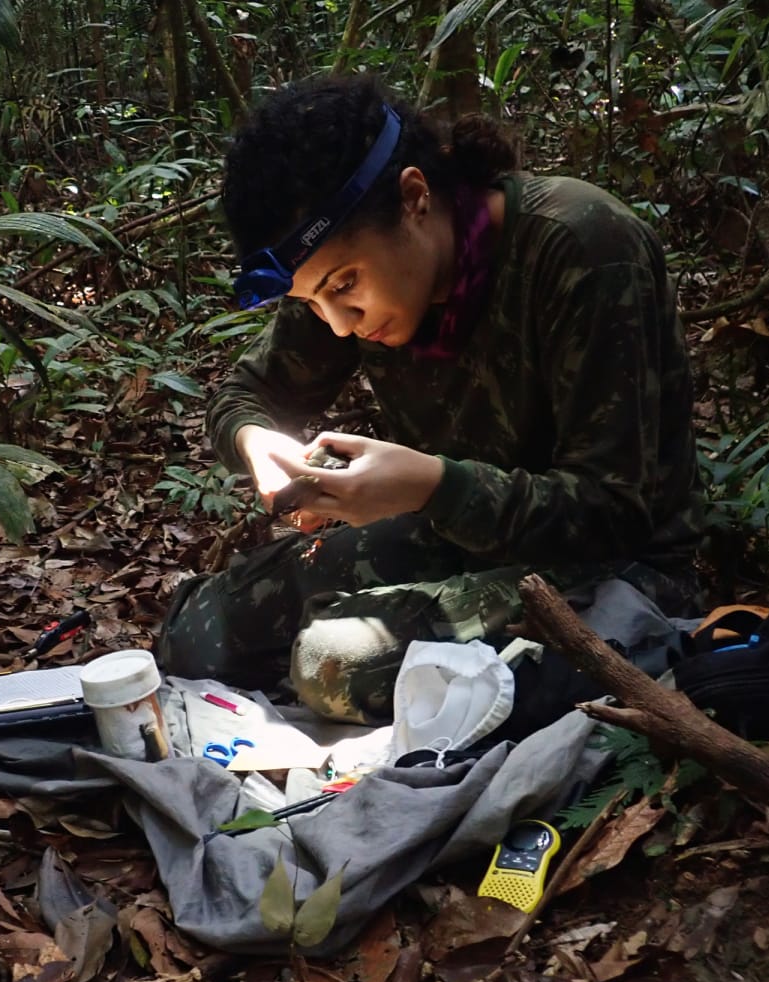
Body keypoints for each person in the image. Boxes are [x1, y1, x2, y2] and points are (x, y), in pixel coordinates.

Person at [155, 75, 705, 725]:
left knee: (335, 664)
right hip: (460, 534)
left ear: (414, 197)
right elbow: (248, 394)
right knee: (195, 636)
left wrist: (431, 488)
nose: (337, 322)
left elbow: (615, 511)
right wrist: (259, 442)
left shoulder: (580, 244)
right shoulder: (347, 266)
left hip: (615, 568)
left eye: (345, 286)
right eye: (312, 301)